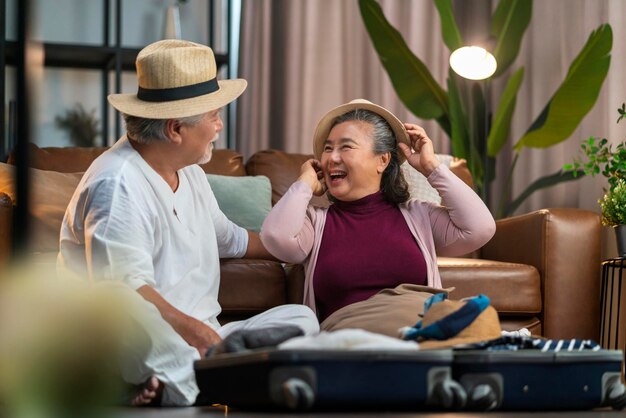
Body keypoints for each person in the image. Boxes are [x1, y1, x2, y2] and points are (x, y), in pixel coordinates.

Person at [57, 39, 319, 406]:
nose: (218, 126)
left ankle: (192, 379)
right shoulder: (117, 184)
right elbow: (123, 292)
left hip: (204, 341)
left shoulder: (189, 172)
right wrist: (195, 334)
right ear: (175, 129)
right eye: (213, 115)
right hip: (137, 335)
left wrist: (307, 245)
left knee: (302, 319)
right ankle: (192, 378)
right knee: (139, 323)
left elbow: (230, 239)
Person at [261, 99, 496, 323]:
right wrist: (304, 184)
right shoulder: (316, 223)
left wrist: (432, 168)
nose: (331, 158)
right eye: (327, 148)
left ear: (382, 160)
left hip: (419, 337)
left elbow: (479, 228)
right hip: (347, 343)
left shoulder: (418, 216)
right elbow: (275, 237)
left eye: (346, 147)